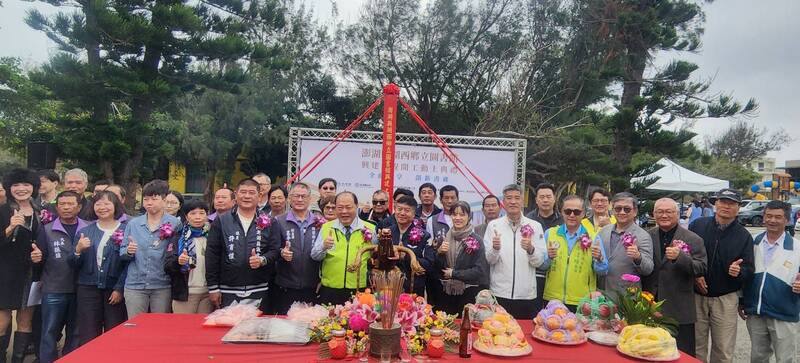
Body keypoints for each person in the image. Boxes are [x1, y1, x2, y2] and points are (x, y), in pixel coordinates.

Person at [689, 188, 754, 363]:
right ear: (715, 203)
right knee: (696, 347)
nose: (726, 206)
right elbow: (686, 253)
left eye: (731, 203)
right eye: (723, 201)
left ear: (738, 207)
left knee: (723, 350)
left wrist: (739, 271)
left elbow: (749, 268)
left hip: (725, 298)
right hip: (697, 295)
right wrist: (695, 275)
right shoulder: (698, 225)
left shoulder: (744, 235)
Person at [642, 198, 707, 356]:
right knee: (649, 350)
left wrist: (681, 257)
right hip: (650, 303)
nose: (664, 215)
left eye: (669, 212)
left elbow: (701, 268)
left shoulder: (693, 238)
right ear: (654, 214)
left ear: (678, 214)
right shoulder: (646, 236)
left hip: (679, 307)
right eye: (660, 212)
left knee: (681, 353)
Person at [738, 200, 798, 363]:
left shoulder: (796, 248)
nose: (772, 220)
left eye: (778, 217)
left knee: (785, 358)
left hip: (784, 313)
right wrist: (741, 300)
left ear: (787, 220)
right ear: (763, 217)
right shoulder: (752, 242)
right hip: (755, 312)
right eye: (768, 216)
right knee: (758, 357)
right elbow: (744, 273)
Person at [205, 179, 279, 311]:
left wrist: (263, 260)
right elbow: (212, 255)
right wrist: (213, 288)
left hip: (259, 287)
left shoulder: (269, 221)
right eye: (243, 192)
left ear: (259, 196)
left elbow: (275, 250)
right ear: (236, 195)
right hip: (228, 289)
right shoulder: (222, 221)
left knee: (256, 329)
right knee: (228, 329)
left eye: (251, 192)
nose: (247, 196)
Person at [33, 190, 88, 363]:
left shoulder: (89, 228)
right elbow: (39, 259)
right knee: (49, 331)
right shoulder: (47, 229)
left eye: (70, 204)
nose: (66, 207)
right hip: (54, 288)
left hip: (82, 289)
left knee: (76, 333)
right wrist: (36, 259)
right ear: (56, 207)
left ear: (79, 207)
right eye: (62, 204)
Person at [71, 191, 128, 345]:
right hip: (88, 288)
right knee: (88, 332)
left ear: (116, 206)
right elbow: (73, 264)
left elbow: (130, 264)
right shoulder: (85, 231)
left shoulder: (127, 229)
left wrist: (119, 288)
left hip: (114, 289)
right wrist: (78, 250)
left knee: (114, 332)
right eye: (98, 204)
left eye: (107, 203)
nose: (102, 207)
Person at [119, 180, 181, 318]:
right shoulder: (133, 224)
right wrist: (129, 251)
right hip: (135, 284)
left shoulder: (175, 223)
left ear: (164, 200)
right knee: (135, 326)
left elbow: (175, 252)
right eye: (146, 199)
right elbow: (122, 252)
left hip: (162, 284)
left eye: (154, 198)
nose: (149, 202)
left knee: (159, 327)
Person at [484, 184, 546, 319]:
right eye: (509, 198)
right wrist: (495, 249)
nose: (513, 201)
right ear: (503, 202)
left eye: (517, 198)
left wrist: (530, 249)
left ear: (522, 201)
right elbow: (489, 260)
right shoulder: (494, 226)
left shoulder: (534, 226)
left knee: (524, 335)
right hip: (499, 293)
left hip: (526, 295)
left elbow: (539, 261)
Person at [0, 169, 42, 363]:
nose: (21, 189)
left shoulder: (41, 211)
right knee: (2, 320)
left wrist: (40, 254)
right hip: (5, 272)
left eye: (26, 184)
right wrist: (8, 228)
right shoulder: (2, 210)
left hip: (31, 272)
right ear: (9, 188)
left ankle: (18, 359)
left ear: (33, 187)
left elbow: (46, 240)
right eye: (16, 185)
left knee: (25, 320)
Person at [541, 195, 608, 312]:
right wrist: (549, 258)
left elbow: (603, 271)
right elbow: (542, 266)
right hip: (553, 299)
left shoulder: (593, 237)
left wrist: (599, 259)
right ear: (562, 212)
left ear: (583, 214)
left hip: (582, 301)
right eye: (568, 211)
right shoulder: (550, 233)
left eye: (576, 212)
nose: (572, 215)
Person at [311, 192, 376, 305]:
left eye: (348, 207)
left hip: (359, 290)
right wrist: (323, 246)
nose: (344, 211)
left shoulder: (370, 229)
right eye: (340, 208)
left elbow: (375, 257)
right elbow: (314, 256)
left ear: (356, 207)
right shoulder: (327, 227)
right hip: (330, 289)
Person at [270, 183, 322, 314]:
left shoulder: (320, 222)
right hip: (286, 286)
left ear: (310, 199)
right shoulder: (278, 221)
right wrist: (281, 252)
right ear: (289, 199)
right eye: (296, 196)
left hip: (312, 286)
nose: (299, 200)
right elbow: (272, 249)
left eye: (303, 196)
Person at [435, 201, 488, 315]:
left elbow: (480, 270)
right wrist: (439, 253)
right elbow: (437, 269)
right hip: (446, 293)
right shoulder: (444, 238)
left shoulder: (476, 240)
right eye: (455, 214)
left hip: (468, 293)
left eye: (462, 214)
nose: (458, 218)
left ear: (469, 217)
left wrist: (454, 273)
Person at [594, 192, 654, 293]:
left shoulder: (643, 236)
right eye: (618, 208)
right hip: (601, 295)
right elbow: (596, 262)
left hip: (627, 297)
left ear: (635, 211)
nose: (622, 212)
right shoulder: (603, 231)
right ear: (612, 211)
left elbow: (648, 269)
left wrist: (638, 257)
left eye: (627, 209)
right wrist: (598, 259)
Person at [165, 199, 212, 314]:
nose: (198, 217)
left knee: (204, 330)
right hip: (185, 293)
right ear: (186, 216)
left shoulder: (212, 236)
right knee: (184, 329)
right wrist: (179, 262)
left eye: (201, 213)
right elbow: (167, 266)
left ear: (207, 215)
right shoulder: (178, 237)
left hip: (208, 292)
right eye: (193, 213)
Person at [525, 183, 563, 314]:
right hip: (533, 274)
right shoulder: (528, 220)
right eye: (542, 197)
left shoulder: (563, 220)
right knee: (533, 311)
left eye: (548, 196)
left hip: (556, 274)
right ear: (536, 200)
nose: (545, 200)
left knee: (553, 313)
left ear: (554, 198)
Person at [388, 196, 433, 296]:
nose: (402, 213)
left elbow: (429, 264)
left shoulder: (424, 236)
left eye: (407, 210)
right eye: (399, 209)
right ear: (395, 210)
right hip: (388, 288)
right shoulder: (386, 233)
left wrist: (407, 256)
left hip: (413, 290)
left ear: (414, 214)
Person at [425, 185, 459, 308]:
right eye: (446, 198)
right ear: (440, 200)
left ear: (457, 199)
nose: (449, 201)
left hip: (458, 274)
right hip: (438, 274)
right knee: (437, 310)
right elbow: (429, 247)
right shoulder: (432, 220)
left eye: (453, 198)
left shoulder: (464, 219)